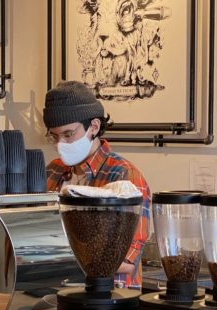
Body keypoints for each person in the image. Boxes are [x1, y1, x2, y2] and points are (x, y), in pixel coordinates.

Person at [43, 81, 150, 288]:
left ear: (94, 126)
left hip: (111, 302)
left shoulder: (125, 176)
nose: (60, 145)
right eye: (54, 136)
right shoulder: (53, 171)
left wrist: (52, 258)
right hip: (62, 296)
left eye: (68, 134)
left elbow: (126, 260)